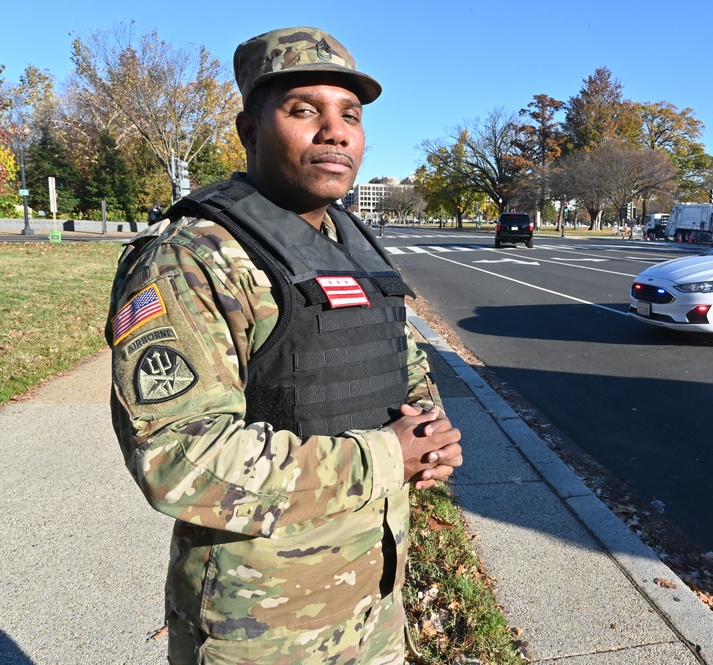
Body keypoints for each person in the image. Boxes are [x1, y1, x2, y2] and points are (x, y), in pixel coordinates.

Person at [105, 26, 462, 665]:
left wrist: (432, 438)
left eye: (349, 115)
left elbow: (400, 364)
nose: (336, 131)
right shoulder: (192, 259)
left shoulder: (353, 246)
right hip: (262, 625)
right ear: (248, 131)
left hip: (373, 604)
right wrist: (386, 458)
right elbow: (177, 458)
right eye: (305, 110)